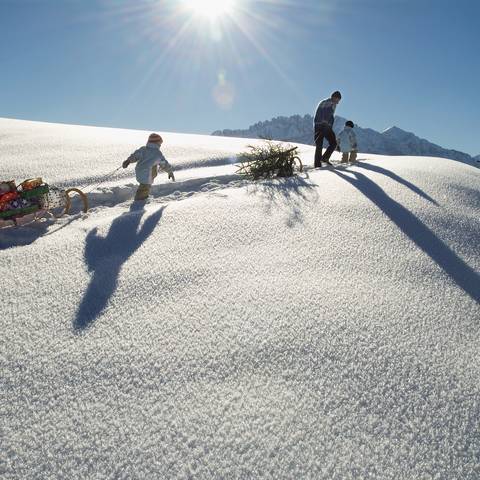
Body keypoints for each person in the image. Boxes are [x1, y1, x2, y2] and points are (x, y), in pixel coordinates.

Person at [122, 133, 175, 201]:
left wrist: (128, 161)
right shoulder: (157, 153)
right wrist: (170, 171)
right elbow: (164, 164)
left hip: (139, 171)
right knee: (145, 187)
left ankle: (142, 197)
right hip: (148, 173)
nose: (160, 145)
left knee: (144, 186)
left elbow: (135, 156)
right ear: (157, 143)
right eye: (160, 143)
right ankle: (139, 201)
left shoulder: (143, 149)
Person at [313, 91, 342, 167]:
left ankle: (324, 159)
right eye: (338, 100)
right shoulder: (328, 103)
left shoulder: (331, 103)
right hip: (321, 126)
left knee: (332, 143)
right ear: (334, 97)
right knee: (321, 144)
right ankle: (318, 164)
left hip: (326, 126)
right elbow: (324, 115)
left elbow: (329, 117)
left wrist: (328, 126)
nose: (338, 102)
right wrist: (324, 125)